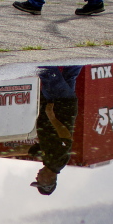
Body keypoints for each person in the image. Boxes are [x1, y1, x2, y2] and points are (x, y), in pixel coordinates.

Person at [29, 66, 81, 195]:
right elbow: (65, 138)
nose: (36, 177)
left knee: (70, 73)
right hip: (60, 105)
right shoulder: (56, 162)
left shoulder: (50, 161)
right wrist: (51, 116)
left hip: (64, 104)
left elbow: (49, 145)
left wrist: (38, 146)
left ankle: (81, 53)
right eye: (39, 181)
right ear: (49, 180)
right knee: (46, 70)